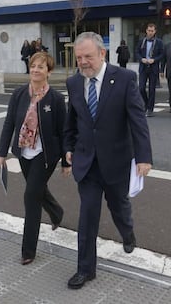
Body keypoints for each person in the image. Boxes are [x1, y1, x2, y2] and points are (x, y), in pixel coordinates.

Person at [64, 32, 152, 290]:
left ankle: (127, 232)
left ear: (102, 54)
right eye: (79, 57)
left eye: (88, 56)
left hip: (116, 162)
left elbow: (138, 120)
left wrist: (144, 157)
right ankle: (85, 269)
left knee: (119, 208)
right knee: (87, 216)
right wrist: (68, 150)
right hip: (87, 164)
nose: (83, 62)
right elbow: (72, 122)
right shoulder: (74, 83)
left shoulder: (124, 79)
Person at [0, 52, 70, 266]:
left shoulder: (55, 99)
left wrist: (66, 161)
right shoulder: (19, 94)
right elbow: (9, 123)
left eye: (41, 67)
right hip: (23, 153)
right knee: (37, 190)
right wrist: (1, 154)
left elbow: (63, 131)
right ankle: (56, 212)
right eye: (33, 66)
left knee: (31, 197)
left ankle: (28, 250)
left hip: (45, 155)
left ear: (49, 71)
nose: (36, 70)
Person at [135, 23, 164, 117]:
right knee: (141, 88)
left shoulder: (159, 42)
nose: (150, 32)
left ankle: (150, 109)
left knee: (152, 89)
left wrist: (154, 60)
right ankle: (146, 104)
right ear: (146, 31)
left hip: (153, 68)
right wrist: (141, 59)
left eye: (152, 31)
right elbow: (137, 52)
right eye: (149, 30)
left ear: (155, 31)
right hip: (143, 67)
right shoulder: (141, 41)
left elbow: (162, 54)